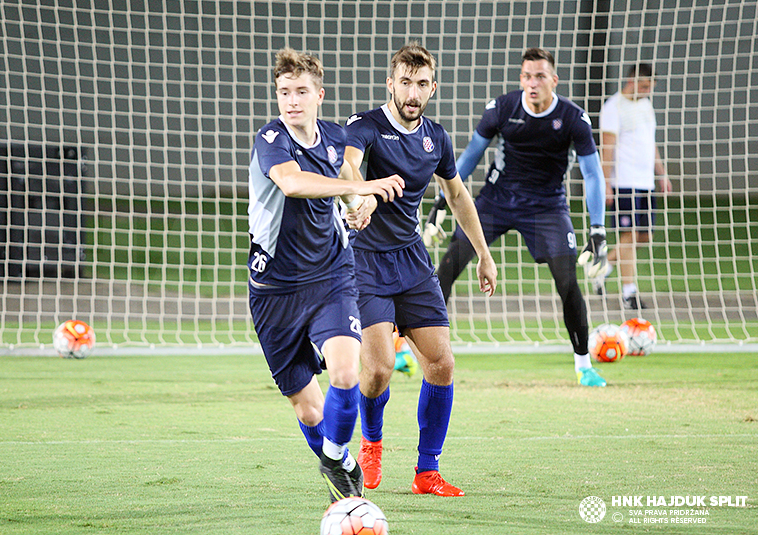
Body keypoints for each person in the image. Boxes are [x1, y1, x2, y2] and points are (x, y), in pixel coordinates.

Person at [247, 47, 404, 503]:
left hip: (331, 277)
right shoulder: (271, 139)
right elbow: (294, 183)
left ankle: (336, 458)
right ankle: (338, 462)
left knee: (343, 374)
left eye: (300, 91)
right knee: (309, 408)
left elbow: (349, 180)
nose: (291, 100)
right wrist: (361, 187)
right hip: (273, 290)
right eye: (283, 92)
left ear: (319, 94)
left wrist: (359, 208)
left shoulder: (335, 138)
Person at [343, 42, 498, 497]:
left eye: (422, 84)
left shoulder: (437, 137)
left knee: (442, 362)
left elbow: (457, 196)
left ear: (433, 86)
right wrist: (364, 195)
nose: (413, 92)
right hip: (365, 260)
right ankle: (371, 442)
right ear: (390, 84)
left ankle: (426, 472)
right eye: (405, 82)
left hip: (412, 260)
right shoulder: (364, 126)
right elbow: (348, 166)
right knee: (379, 370)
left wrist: (484, 255)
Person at [429, 48, 609, 387]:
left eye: (540, 76)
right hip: (496, 201)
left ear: (554, 80)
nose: (532, 83)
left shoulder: (572, 118)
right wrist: (443, 198)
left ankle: (584, 364)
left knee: (567, 281)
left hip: (546, 206)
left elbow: (593, 174)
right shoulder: (503, 107)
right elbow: (470, 154)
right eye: (526, 76)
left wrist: (597, 228)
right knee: (449, 265)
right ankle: (416, 350)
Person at [596, 63, 670, 310]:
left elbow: (651, 143)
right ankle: (629, 293)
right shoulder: (613, 107)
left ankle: (602, 267)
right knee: (628, 236)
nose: (648, 91)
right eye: (645, 86)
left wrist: (662, 174)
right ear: (632, 81)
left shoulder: (645, 105)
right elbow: (607, 149)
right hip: (624, 182)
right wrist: (606, 184)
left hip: (645, 182)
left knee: (644, 236)